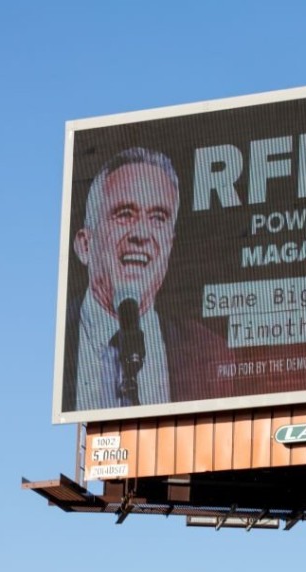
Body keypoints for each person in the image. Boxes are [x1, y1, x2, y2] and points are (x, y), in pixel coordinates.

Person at [63, 147, 231, 412]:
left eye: (157, 218)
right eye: (124, 214)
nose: (141, 234)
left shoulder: (209, 352)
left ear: (170, 246)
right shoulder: (54, 344)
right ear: (85, 245)